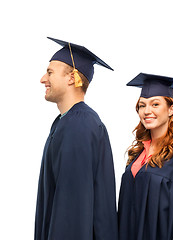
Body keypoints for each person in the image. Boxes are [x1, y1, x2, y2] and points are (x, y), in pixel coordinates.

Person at [35, 37, 118, 240]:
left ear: (71, 78)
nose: (43, 79)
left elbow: (72, 212)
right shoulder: (67, 121)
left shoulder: (78, 126)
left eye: (50, 72)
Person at [118, 73, 173, 240]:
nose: (147, 111)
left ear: (171, 109)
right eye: (142, 105)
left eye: (155, 104)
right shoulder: (137, 155)